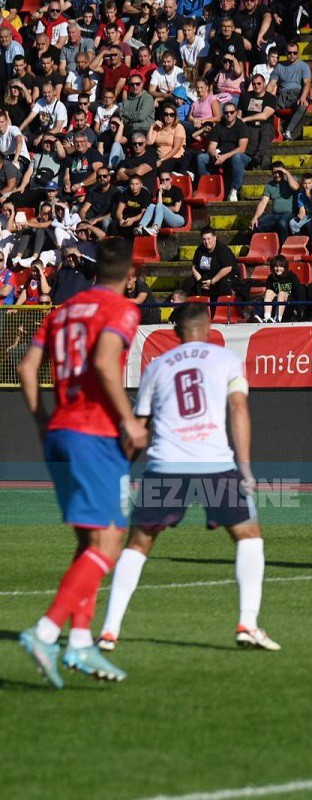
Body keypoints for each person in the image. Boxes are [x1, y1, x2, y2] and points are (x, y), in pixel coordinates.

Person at [96, 302, 278, 653]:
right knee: (248, 535)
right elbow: (238, 408)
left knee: (138, 544)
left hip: (166, 464)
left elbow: (139, 426)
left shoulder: (157, 366)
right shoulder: (226, 359)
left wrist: (119, 470)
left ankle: (109, 631)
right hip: (214, 463)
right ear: (209, 328)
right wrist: (245, 466)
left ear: (176, 332)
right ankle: (247, 624)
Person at [15, 238, 146, 688]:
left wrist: (40, 420)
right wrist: (129, 421)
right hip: (96, 434)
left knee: (89, 542)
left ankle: (81, 644)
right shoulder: (123, 310)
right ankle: (46, 631)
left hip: (61, 432)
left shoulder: (61, 310)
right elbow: (106, 362)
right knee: (109, 541)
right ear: (129, 275)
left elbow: (26, 368)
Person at [196, 102, 251, 201]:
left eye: (231, 112)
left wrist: (224, 157)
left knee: (237, 157)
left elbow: (242, 148)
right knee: (202, 158)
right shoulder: (218, 127)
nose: (228, 114)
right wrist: (215, 155)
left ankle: (234, 189)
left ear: (236, 113)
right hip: (221, 155)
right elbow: (211, 146)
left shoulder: (241, 126)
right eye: (226, 112)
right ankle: (208, 185)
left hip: (239, 156)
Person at [268, 42, 312, 141]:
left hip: (296, 94)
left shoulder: (303, 66)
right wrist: (264, 98)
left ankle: (288, 131)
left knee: (303, 105)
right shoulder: (279, 66)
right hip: (282, 95)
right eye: (289, 52)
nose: (292, 55)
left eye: (294, 53)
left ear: (298, 53)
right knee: (267, 106)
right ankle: (275, 131)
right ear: (285, 53)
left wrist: (303, 97)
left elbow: (307, 84)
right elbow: (271, 85)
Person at [251, 162, 299, 237]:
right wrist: (255, 217)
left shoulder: (290, 180)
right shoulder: (269, 185)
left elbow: (295, 187)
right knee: (256, 224)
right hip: (275, 215)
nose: (277, 175)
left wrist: (287, 173)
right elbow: (263, 202)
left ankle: (283, 246)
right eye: (274, 173)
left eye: (279, 172)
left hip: (289, 213)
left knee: (282, 223)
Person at [260, 255, 302, 322]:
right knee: (268, 291)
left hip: (290, 304)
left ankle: (278, 318)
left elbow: (298, 292)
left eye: (281, 266)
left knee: (281, 293)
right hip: (276, 303)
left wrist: (298, 309)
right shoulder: (270, 278)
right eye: (276, 266)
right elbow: (270, 294)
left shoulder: (291, 276)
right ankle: (267, 318)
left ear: (285, 267)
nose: (278, 269)